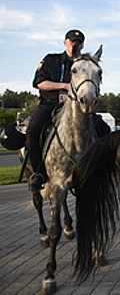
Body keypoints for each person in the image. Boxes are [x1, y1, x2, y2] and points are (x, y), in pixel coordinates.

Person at [26, 29, 85, 191]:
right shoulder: (51, 60)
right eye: (72, 41)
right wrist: (65, 86)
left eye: (78, 42)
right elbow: (39, 83)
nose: (75, 44)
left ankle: (101, 168)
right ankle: (38, 173)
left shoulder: (84, 63)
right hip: (50, 104)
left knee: (102, 128)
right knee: (32, 131)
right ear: (65, 42)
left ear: (82, 45)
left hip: (75, 107)